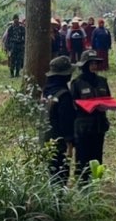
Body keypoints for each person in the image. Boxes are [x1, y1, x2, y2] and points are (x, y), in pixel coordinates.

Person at [71, 50, 116, 184]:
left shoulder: (102, 81)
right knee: (82, 156)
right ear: (84, 65)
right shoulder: (77, 83)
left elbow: (108, 99)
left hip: (99, 125)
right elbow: (73, 105)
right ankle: (82, 182)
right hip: (83, 126)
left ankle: (96, 182)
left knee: (97, 155)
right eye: (90, 63)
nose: (93, 66)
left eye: (95, 63)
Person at [42, 55, 76, 185]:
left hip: (45, 140)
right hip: (59, 142)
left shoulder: (46, 91)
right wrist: (69, 144)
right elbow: (66, 121)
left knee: (50, 174)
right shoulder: (64, 95)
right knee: (60, 176)